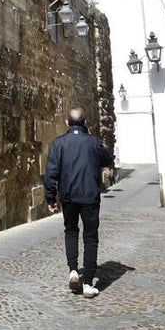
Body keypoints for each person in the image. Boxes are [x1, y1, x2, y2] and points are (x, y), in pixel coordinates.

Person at [44, 107, 114, 299]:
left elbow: (51, 173)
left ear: (67, 122)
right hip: (90, 196)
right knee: (90, 237)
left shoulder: (58, 143)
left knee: (71, 231)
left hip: (68, 196)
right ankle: (88, 283)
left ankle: (74, 271)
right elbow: (107, 159)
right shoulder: (93, 142)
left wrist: (51, 198)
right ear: (85, 123)